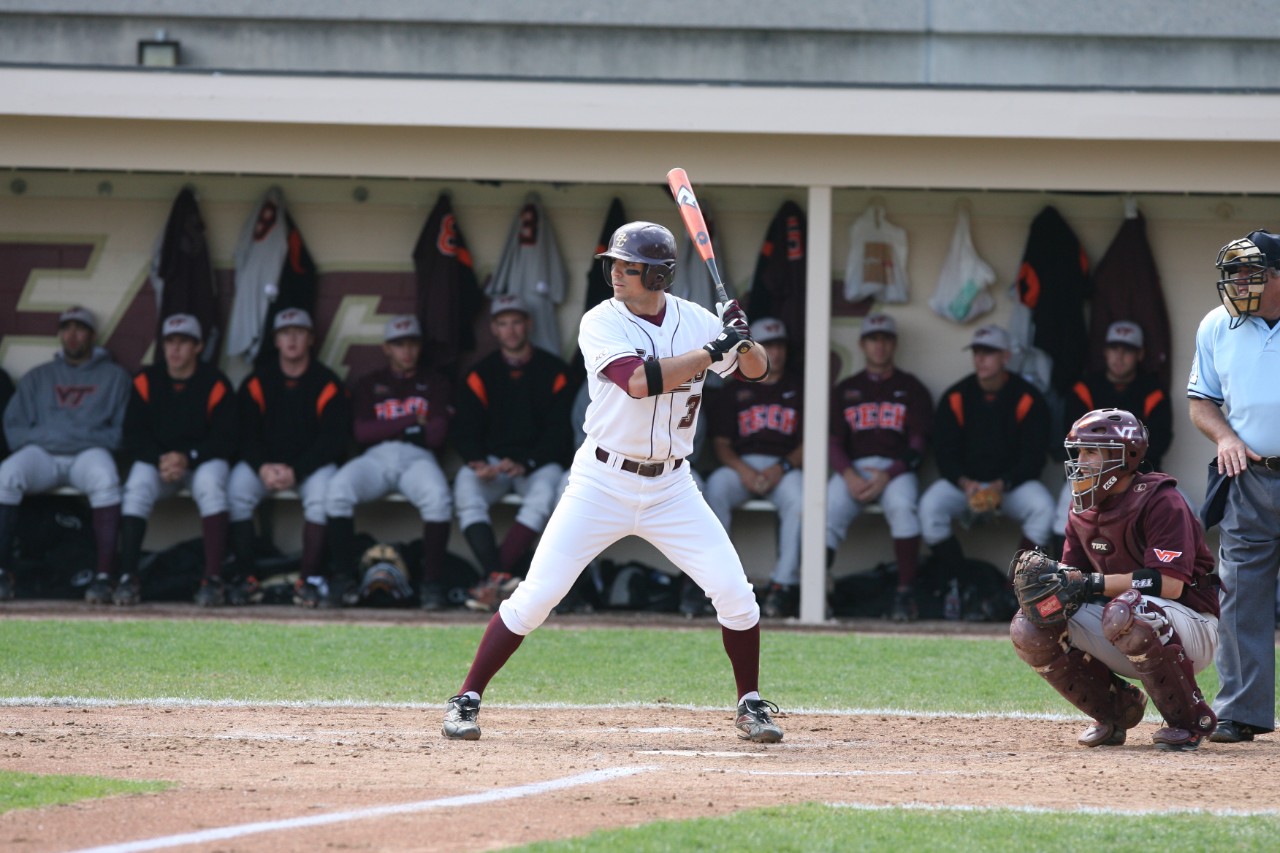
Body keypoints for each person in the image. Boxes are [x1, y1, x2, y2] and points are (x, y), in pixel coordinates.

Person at [441, 220, 784, 744]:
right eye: (614, 265)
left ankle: (750, 704)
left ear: (657, 274)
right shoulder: (601, 322)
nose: (615, 274)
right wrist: (717, 350)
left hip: (673, 487)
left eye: (627, 267)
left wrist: (743, 337)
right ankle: (466, 698)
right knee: (536, 598)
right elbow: (640, 382)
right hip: (601, 481)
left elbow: (757, 372)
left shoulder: (695, 321)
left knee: (736, 595)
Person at [1011, 408, 1219, 751]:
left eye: (1091, 451)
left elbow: (1170, 585)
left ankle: (1190, 719)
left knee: (1128, 611)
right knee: (1031, 624)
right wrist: (1050, 582)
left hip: (1191, 626)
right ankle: (1115, 710)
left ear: (1124, 457)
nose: (1081, 461)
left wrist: (1092, 584)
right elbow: (1072, 579)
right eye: (1078, 452)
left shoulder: (1162, 500)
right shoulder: (1082, 508)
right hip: (1121, 622)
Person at [1188, 228, 1280, 744]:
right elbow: (1202, 402)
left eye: (1251, 273)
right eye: (1235, 272)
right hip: (1247, 477)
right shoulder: (1216, 324)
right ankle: (1241, 712)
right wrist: (1225, 437)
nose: (1237, 283)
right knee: (1240, 595)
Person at [0, 306, 131, 604]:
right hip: (43, 455)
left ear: (93, 336)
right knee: (6, 475)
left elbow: (123, 434)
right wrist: (52, 438)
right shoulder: (39, 377)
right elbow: (14, 431)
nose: (72, 335)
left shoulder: (114, 377)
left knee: (106, 478)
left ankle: (103, 577)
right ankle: (2, 571)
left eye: (80, 328)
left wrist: (76, 437)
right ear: (59, 334)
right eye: (66, 328)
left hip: (89, 453)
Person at [451, 294, 573, 612]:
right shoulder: (481, 373)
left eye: (516, 322)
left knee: (546, 492)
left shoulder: (554, 370)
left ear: (528, 324)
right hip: (494, 464)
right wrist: (476, 461)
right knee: (466, 484)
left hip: (537, 464)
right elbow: (464, 427)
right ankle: (497, 575)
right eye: (503, 324)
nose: (511, 330)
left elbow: (560, 432)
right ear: (494, 329)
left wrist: (527, 462)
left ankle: (492, 580)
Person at [324, 315, 454, 610]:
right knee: (337, 489)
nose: (406, 351)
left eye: (411, 344)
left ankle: (432, 584)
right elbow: (362, 432)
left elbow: (435, 435)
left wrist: (394, 426)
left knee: (438, 497)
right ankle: (343, 578)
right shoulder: (371, 383)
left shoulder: (434, 381)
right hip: (376, 457)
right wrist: (411, 420)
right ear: (387, 348)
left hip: (418, 459)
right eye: (398, 344)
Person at [228, 308, 351, 607]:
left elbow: (334, 441)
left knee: (323, 496)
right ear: (277, 341)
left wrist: (298, 470)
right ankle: (246, 576)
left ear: (310, 339)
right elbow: (244, 435)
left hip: (310, 467)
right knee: (236, 492)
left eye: (299, 333)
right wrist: (262, 466)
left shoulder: (327, 382)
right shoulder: (258, 382)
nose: (292, 339)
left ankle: (307, 579)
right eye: (285, 333)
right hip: (266, 466)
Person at [919, 324, 1055, 583]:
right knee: (930, 507)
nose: (980, 358)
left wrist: (1002, 483)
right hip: (966, 485)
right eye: (977, 351)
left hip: (1009, 486)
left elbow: (1034, 456)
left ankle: (1016, 588)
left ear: (1006, 356)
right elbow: (944, 452)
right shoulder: (957, 396)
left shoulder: (1027, 397)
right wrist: (963, 481)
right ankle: (964, 580)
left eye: (989, 352)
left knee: (1043, 510)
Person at [118, 314, 238, 606]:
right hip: (161, 464)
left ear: (197, 347)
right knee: (136, 486)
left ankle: (212, 579)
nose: (175, 349)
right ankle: (127, 576)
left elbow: (227, 439)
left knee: (212, 485)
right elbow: (132, 436)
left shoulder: (215, 382)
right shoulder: (147, 380)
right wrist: (162, 459)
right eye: (170, 341)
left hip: (200, 462)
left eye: (183, 342)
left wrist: (189, 458)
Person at [826, 312, 933, 621]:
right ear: (862, 344)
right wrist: (847, 474)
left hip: (895, 471)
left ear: (894, 344)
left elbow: (918, 445)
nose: (879, 346)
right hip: (853, 469)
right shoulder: (846, 388)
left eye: (885, 339)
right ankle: (817, 590)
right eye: (873, 339)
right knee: (827, 510)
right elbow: (833, 442)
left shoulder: (911, 388)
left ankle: (904, 592)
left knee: (903, 508)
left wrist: (889, 474)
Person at [702, 317, 803, 618]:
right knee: (716, 487)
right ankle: (718, 582)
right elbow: (721, 444)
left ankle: (783, 585)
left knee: (801, 499)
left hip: (783, 468)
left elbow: (810, 443)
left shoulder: (799, 387)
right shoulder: (734, 390)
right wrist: (744, 471)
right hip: (740, 466)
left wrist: (780, 468)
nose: (776, 352)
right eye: (768, 345)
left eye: (780, 345)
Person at [1053, 320, 1173, 540]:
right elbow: (1070, 439)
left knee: (1186, 511)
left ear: (1140, 354)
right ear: (1105, 352)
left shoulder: (1152, 391)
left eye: (1127, 350)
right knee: (1064, 515)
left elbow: (1160, 441)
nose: (1119, 356)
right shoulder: (1084, 388)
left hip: (1139, 475)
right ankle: (1064, 572)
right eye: (1114, 349)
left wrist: (1124, 469)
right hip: (1089, 471)